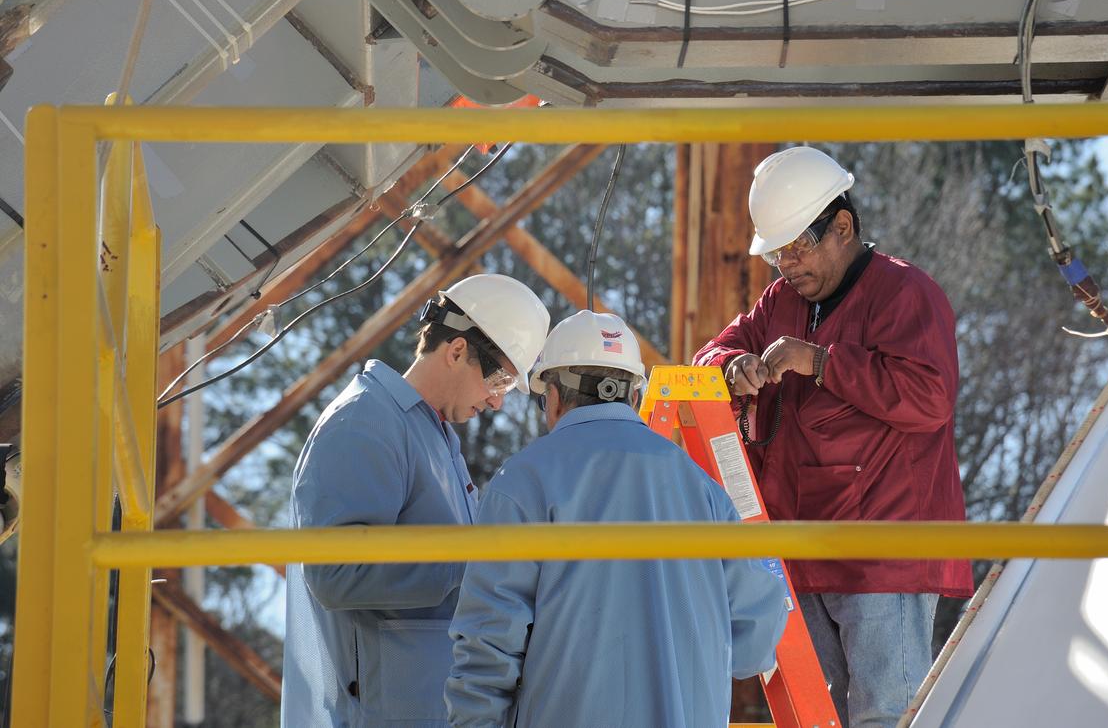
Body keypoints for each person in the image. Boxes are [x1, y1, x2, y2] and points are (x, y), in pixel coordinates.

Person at [693, 147, 973, 728]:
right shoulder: (781, 301)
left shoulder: (904, 294)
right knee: (816, 718)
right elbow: (709, 354)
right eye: (777, 253)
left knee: (883, 717)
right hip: (803, 550)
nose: (787, 265)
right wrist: (731, 367)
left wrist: (820, 362)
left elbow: (929, 397)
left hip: (882, 556)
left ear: (842, 227)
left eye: (798, 247)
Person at [445, 310, 789, 728]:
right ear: (634, 397)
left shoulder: (521, 483)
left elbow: (487, 645)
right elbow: (754, 641)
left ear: (552, 396)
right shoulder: (703, 490)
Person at [281, 274, 550, 727]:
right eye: (500, 378)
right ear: (458, 350)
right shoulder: (364, 422)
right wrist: (472, 565)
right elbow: (335, 576)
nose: (498, 402)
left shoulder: (431, 435)